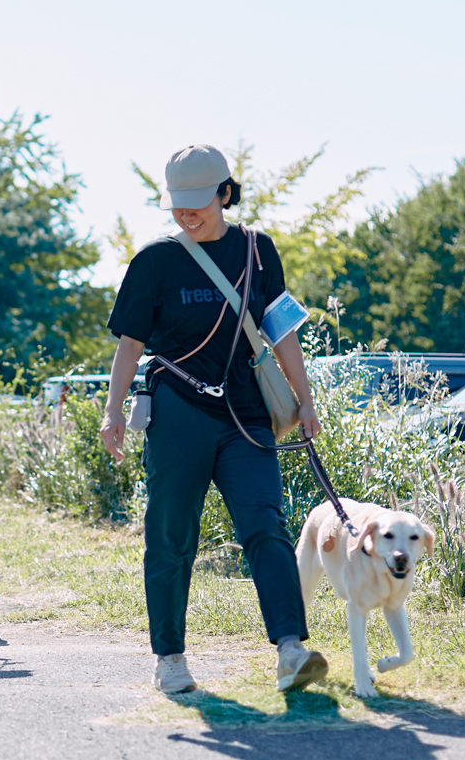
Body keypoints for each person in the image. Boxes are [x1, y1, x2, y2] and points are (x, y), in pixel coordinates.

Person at [99, 143, 329, 695]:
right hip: (177, 411)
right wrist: (112, 413)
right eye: (178, 204)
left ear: (226, 193)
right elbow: (129, 347)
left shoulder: (257, 250)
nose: (187, 213)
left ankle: (291, 650)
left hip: (246, 413)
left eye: (198, 202)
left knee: (265, 525)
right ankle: (170, 658)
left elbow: (282, 329)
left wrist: (305, 399)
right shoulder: (154, 261)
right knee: (171, 536)